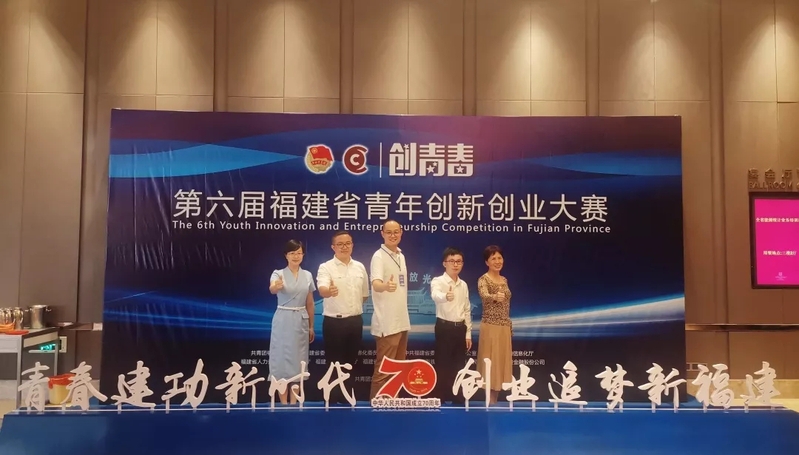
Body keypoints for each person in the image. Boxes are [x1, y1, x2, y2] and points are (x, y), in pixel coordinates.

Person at [316, 231, 370, 404]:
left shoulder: (359, 267)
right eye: (340, 244)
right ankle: (332, 399)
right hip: (334, 323)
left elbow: (364, 294)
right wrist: (329, 291)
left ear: (352, 245)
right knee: (334, 363)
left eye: (348, 243)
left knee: (351, 361)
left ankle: (347, 397)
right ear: (333, 247)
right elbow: (322, 289)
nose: (344, 247)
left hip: (355, 321)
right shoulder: (326, 267)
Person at [268, 239, 316, 405]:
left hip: (301, 320)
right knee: (281, 360)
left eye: (299, 253)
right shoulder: (278, 273)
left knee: (298, 360)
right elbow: (272, 288)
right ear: (286, 255)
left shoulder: (307, 275)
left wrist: (311, 326)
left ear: (303, 255)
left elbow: (310, 303)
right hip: (283, 319)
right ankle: (283, 402)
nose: (296, 256)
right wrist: (276, 286)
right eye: (292, 253)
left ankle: (294, 402)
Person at [369, 220, 410, 399]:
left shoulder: (401, 255)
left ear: (401, 232)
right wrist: (385, 286)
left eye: (396, 232)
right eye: (389, 232)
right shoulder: (378, 256)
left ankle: (393, 405)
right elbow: (375, 284)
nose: (393, 235)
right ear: (382, 233)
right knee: (384, 369)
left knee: (398, 369)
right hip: (386, 323)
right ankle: (377, 407)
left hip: (401, 321)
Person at [430, 247, 472, 405]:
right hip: (444, 327)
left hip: (460, 328)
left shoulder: (463, 284)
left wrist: (468, 333)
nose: (455, 264)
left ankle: (457, 395)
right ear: (444, 263)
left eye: (459, 261)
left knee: (459, 363)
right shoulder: (438, 281)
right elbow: (435, 295)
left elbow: (467, 309)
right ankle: (440, 395)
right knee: (443, 362)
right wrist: (445, 296)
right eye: (452, 261)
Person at [476, 245, 513, 406]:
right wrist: (494, 297)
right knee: (490, 362)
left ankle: (495, 401)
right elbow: (484, 295)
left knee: (500, 363)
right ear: (487, 262)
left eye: (499, 258)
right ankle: (489, 402)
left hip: (504, 327)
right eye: (493, 258)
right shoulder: (483, 280)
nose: (497, 261)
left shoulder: (504, 280)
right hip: (490, 326)